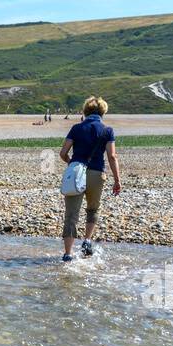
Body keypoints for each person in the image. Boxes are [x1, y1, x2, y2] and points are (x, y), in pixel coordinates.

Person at [59, 96, 121, 261]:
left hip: (76, 173)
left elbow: (63, 153)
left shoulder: (76, 128)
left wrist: (72, 163)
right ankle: (87, 240)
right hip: (96, 174)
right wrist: (117, 180)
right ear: (103, 112)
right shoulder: (107, 130)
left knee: (71, 214)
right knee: (92, 209)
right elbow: (112, 156)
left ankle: (68, 254)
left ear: (85, 112)